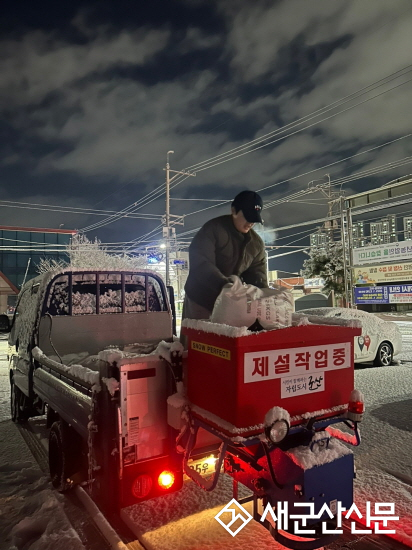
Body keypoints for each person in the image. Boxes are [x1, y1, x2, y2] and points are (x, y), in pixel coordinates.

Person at [182, 190, 268, 320]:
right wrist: (225, 285)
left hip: (230, 302)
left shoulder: (256, 244)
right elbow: (201, 263)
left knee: (226, 338)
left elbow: (257, 275)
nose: (251, 223)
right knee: (200, 338)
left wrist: (264, 294)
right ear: (234, 211)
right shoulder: (213, 229)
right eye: (247, 217)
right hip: (200, 299)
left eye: (254, 219)